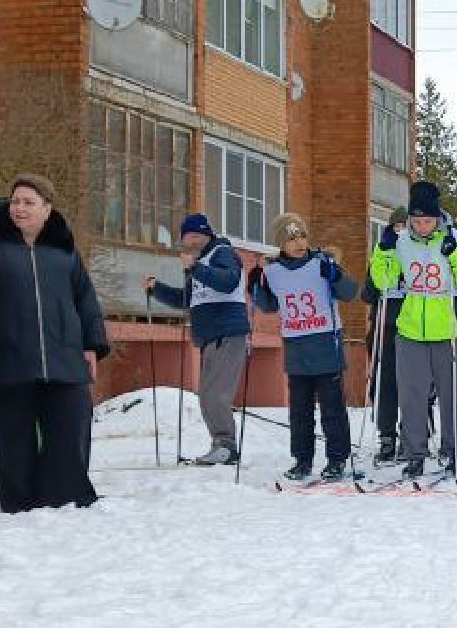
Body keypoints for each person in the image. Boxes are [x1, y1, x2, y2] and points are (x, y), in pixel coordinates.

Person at [0, 175, 111, 512]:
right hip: (4, 360)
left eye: (29, 202)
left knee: (71, 426)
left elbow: (86, 302)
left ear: (47, 208)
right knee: (10, 436)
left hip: (64, 359)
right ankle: (19, 502)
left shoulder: (66, 254)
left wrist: (92, 344)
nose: (19, 208)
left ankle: (66, 496)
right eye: (15, 201)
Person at [367, 181, 457, 479]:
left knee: (452, 395)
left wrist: (455, 254)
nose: (421, 227)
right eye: (415, 221)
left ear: (438, 218)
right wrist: (383, 251)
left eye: (427, 221)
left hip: (448, 329)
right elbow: (384, 282)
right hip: (410, 330)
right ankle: (415, 453)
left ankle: (456, 450)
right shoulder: (402, 241)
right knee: (412, 395)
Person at [250, 213, 359, 482]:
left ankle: (337, 459)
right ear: (281, 244)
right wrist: (255, 284)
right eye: (290, 238)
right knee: (299, 410)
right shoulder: (274, 271)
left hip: (325, 344)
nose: (298, 242)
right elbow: (267, 306)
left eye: (301, 236)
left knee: (332, 408)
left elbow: (350, 292)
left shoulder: (321, 263)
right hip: (296, 347)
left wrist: (334, 276)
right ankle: (302, 459)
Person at [145, 212, 252, 466]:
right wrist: (156, 289)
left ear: (207, 235)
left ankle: (226, 445)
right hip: (209, 337)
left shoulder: (221, 252)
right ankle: (220, 444)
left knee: (216, 395)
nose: (191, 241)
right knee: (206, 395)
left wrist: (195, 267)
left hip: (227, 333)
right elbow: (187, 300)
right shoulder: (199, 263)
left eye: (196, 235)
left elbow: (229, 281)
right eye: (187, 236)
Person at [365, 206, 409, 464]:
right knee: (386, 383)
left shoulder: (417, 255)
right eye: (397, 227)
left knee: (412, 384)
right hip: (385, 327)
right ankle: (387, 436)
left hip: (411, 327)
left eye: (406, 226)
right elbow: (368, 293)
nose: (401, 232)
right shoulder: (383, 254)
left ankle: (413, 433)